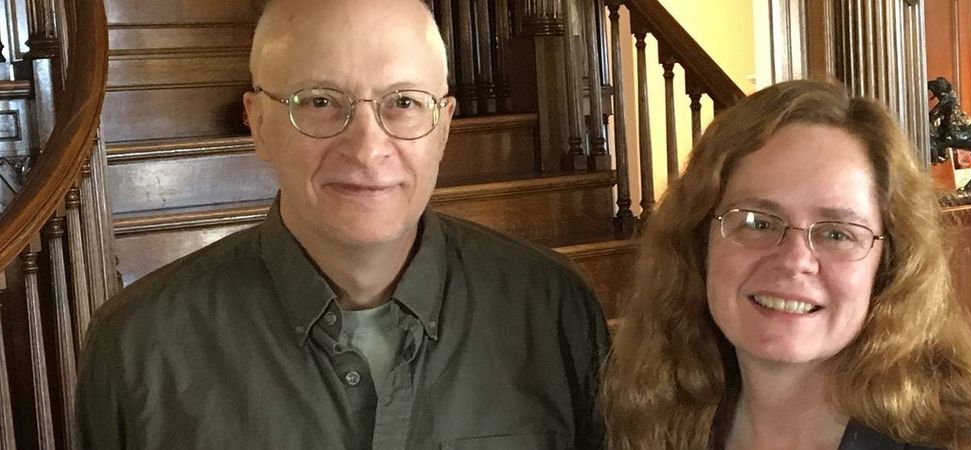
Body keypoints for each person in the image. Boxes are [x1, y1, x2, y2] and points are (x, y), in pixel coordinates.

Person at [75, 0, 608, 448]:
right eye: (322, 102)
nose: (368, 148)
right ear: (258, 123)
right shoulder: (139, 347)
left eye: (403, 102)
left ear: (443, 128)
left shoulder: (553, 309)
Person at [601, 80, 971, 450]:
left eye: (837, 233)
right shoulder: (650, 425)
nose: (794, 261)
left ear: (889, 266)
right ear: (700, 241)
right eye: (757, 222)